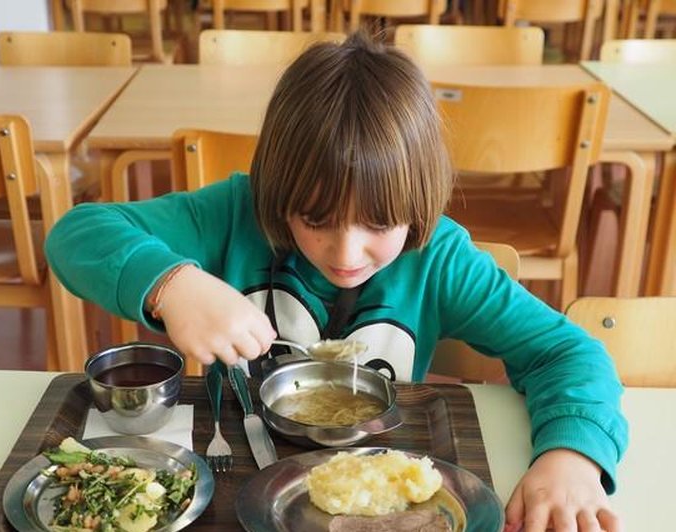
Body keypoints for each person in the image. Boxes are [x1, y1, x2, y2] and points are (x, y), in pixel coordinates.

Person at [45, 31, 627, 532]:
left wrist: (571, 459)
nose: (346, 253)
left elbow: (564, 352)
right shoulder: (233, 214)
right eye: (315, 220)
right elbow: (77, 233)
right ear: (278, 195)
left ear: (418, 202)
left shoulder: (441, 258)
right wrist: (173, 284)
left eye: (378, 223)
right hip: (232, 474)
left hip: (385, 500)